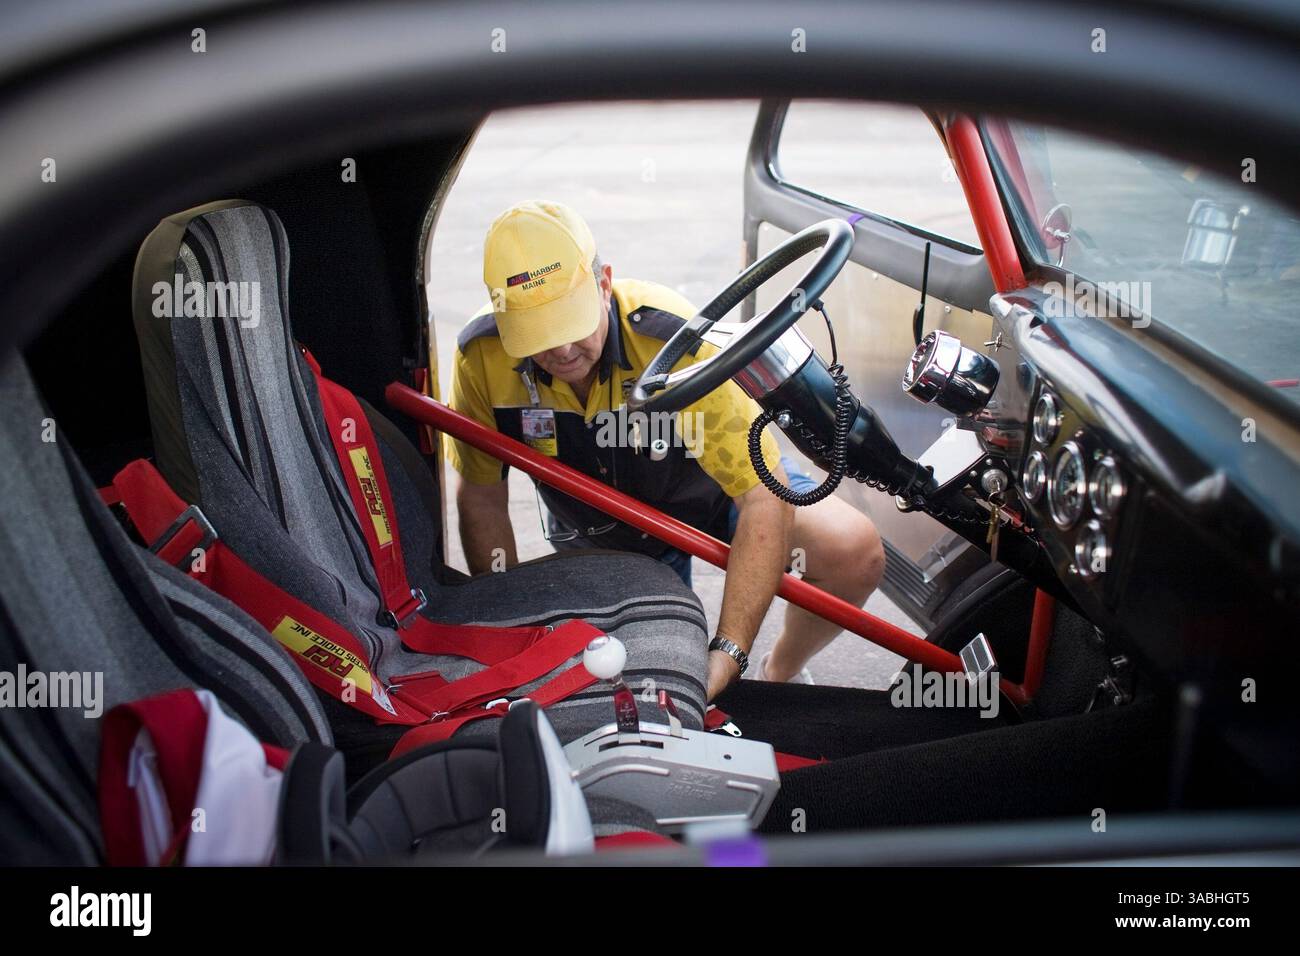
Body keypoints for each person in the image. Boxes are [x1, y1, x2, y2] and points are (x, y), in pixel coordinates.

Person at [446, 200, 883, 700]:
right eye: (539, 337)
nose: (563, 351)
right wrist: (510, 626)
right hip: (598, 527)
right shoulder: (480, 358)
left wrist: (730, 653)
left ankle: (780, 668)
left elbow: (760, 494)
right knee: (640, 674)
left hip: (713, 496)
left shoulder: (672, 336)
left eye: (571, 324)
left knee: (854, 552)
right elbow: (481, 497)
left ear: (604, 283)